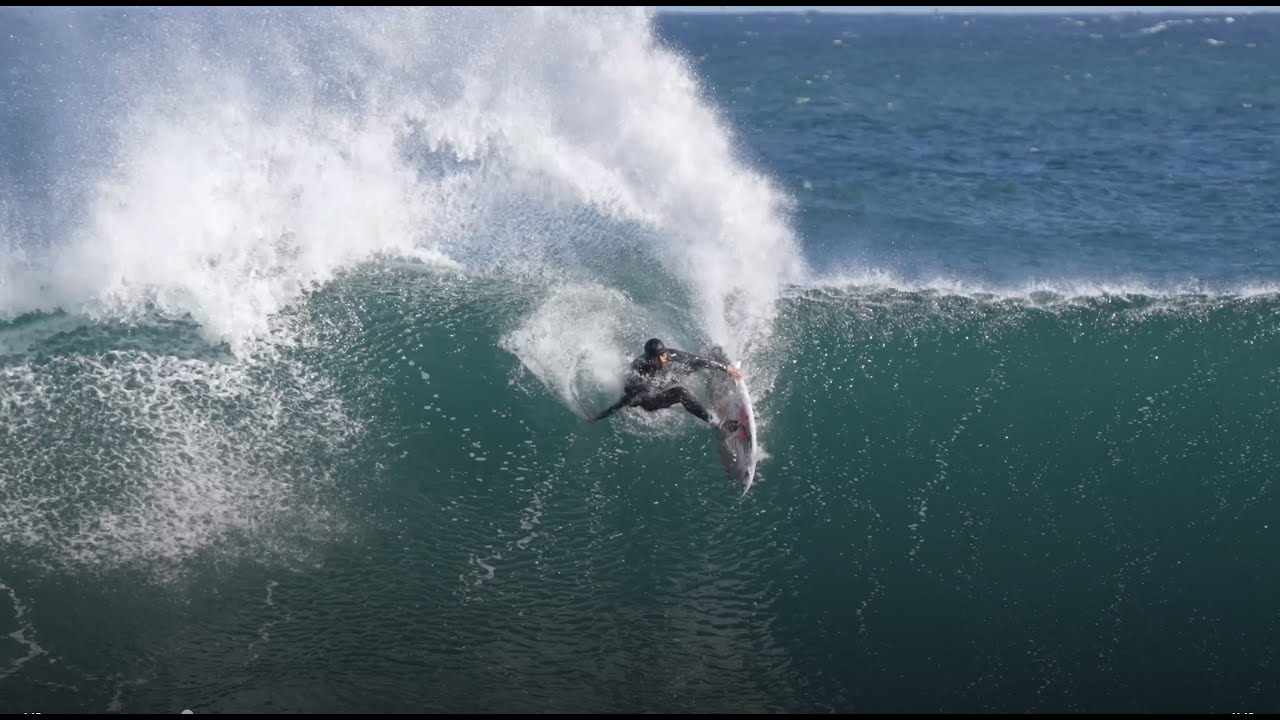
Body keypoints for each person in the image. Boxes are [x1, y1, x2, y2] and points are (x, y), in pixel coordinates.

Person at [591, 338, 743, 432]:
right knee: (680, 393)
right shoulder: (638, 370)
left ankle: (716, 374)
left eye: (664, 354)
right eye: (660, 356)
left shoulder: (669, 355)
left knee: (692, 365)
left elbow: (695, 359)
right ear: (650, 359)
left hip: (660, 382)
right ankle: (717, 424)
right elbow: (624, 400)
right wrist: (601, 415)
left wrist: (727, 369)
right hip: (649, 398)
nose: (665, 358)